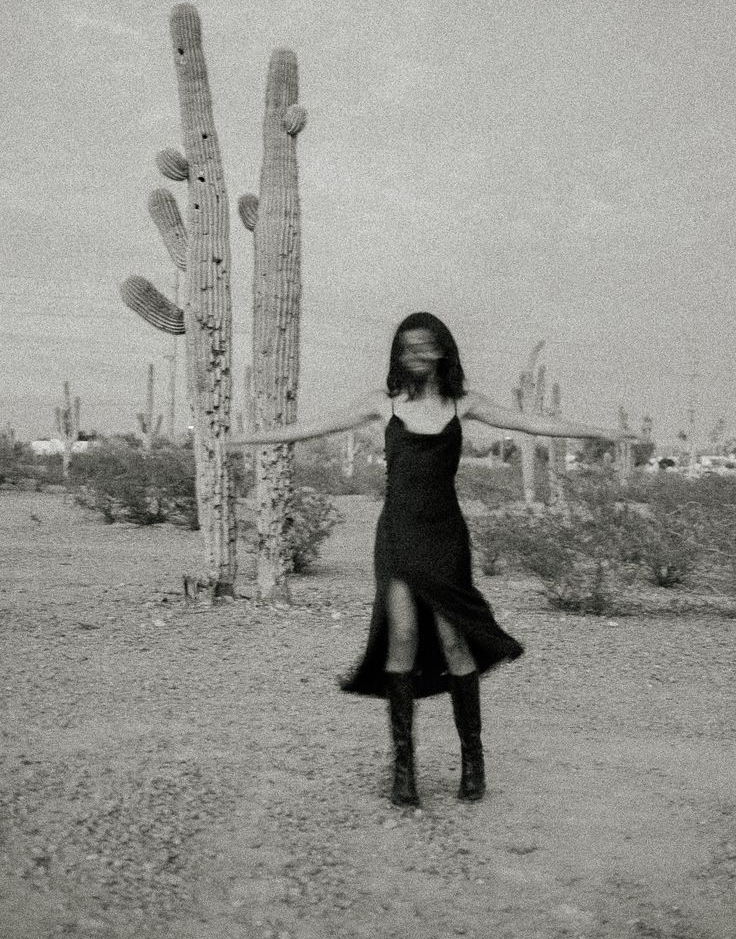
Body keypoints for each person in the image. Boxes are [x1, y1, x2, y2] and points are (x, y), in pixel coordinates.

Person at [242, 311, 632, 808]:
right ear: (398, 354)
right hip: (398, 534)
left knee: (453, 639)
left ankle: (473, 760)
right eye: (408, 348)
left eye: (426, 346)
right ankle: (404, 768)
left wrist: (604, 433)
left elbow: (533, 421)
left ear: (443, 350)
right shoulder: (381, 406)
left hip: (445, 534)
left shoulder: (464, 404)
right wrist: (238, 440)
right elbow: (307, 429)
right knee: (401, 634)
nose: (417, 355)